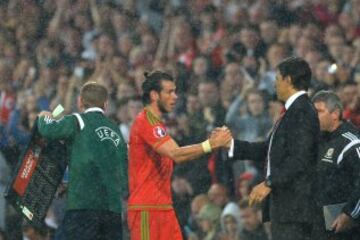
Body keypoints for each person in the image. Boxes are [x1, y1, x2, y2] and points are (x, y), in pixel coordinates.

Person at [127, 71, 231, 240]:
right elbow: (176, 154)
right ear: (154, 95)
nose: (175, 97)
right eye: (169, 92)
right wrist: (210, 144)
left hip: (163, 204)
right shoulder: (147, 122)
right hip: (148, 207)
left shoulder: (156, 124)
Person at [227, 57, 320, 240]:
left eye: (277, 79)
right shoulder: (292, 112)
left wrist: (269, 183)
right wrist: (230, 145)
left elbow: (300, 159)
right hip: (287, 207)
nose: (275, 85)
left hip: (296, 208)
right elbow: (268, 149)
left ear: (288, 80)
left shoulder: (301, 112)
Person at [37, 82, 127, 240]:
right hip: (112, 209)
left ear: (80, 102)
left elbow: (48, 130)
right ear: (106, 104)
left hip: (83, 205)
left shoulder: (78, 120)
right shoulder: (115, 128)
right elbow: (120, 166)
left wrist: (44, 117)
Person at [311, 90, 360, 240]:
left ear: (335, 113)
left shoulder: (352, 142)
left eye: (319, 111)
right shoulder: (318, 140)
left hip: (347, 228)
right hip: (321, 224)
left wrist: (349, 213)